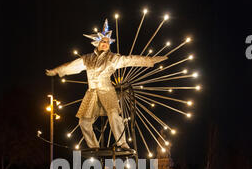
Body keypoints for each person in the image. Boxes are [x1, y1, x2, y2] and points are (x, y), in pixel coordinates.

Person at [46, 19, 167, 149]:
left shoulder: (113, 58)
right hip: (92, 93)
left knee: (114, 116)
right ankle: (93, 147)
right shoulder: (87, 59)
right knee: (83, 122)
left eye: (108, 42)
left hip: (107, 91)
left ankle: (123, 143)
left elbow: (130, 60)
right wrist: (57, 70)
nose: (105, 44)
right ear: (97, 42)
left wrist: (150, 60)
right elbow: (72, 66)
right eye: (103, 41)